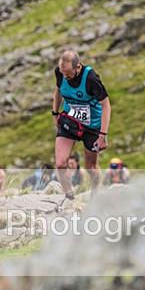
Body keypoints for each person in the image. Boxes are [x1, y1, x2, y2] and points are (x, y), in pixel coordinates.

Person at [53, 50, 111, 202]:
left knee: (91, 167)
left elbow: (106, 105)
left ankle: (95, 193)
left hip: (92, 126)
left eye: (68, 74)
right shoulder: (60, 73)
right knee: (60, 164)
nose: (65, 77)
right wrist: (55, 113)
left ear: (78, 67)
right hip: (70, 121)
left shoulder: (91, 78)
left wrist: (102, 135)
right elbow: (58, 90)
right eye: (62, 73)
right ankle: (69, 197)